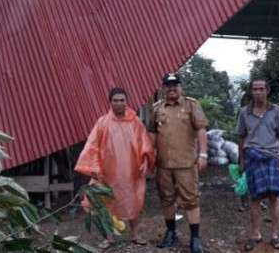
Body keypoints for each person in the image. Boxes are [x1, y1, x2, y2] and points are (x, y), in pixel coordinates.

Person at [75, 87, 155, 249]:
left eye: (122, 100)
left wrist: (146, 161)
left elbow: (145, 144)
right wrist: (94, 168)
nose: (119, 103)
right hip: (107, 171)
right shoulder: (102, 122)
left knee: (134, 202)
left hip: (130, 171)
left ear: (127, 102)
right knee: (105, 203)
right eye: (116, 100)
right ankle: (109, 237)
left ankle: (135, 235)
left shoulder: (135, 122)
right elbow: (92, 146)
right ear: (110, 102)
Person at [148, 73, 209, 253]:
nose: (171, 88)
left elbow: (201, 129)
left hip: (186, 164)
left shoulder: (191, 105)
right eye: (168, 85)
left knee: (191, 200)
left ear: (180, 87)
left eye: (175, 85)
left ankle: (195, 238)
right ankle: (171, 232)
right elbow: (152, 133)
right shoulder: (157, 108)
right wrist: (150, 156)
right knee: (166, 199)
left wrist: (203, 154)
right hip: (163, 165)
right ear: (163, 88)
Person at [236, 79, 279, 251]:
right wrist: (241, 160)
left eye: (261, 89)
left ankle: (274, 235)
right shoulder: (245, 112)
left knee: (274, 197)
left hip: (273, 157)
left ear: (267, 91)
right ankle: (256, 234)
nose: (258, 92)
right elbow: (241, 137)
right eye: (255, 89)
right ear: (251, 92)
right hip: (252, 156)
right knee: (255, 198)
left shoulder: (277, 111)